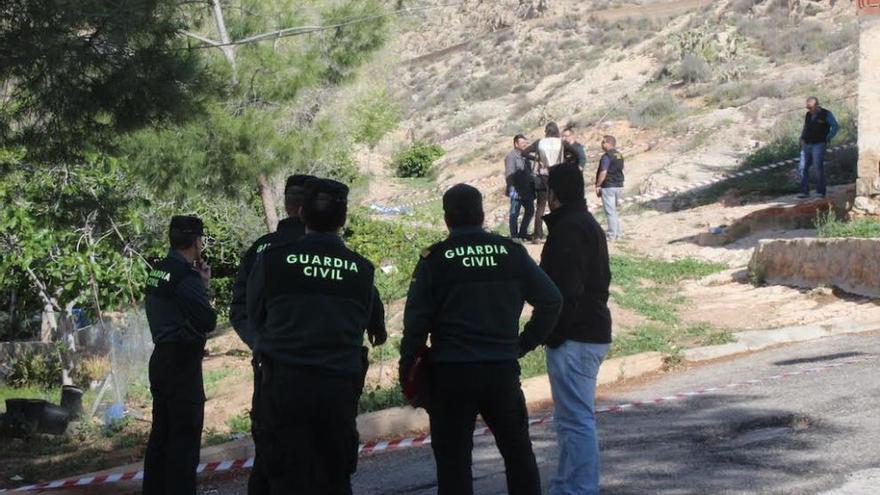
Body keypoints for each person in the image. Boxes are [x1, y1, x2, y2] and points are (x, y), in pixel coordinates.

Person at [399, 184, 563, 495]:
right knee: (518, 456)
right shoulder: (511, 254)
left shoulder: (436, 260)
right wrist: (523, 344)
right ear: (482, 215)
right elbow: (552, 300)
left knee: (453, 465)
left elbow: (415, 324)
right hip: (501, 371)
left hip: (451, 376)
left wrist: (408, 368)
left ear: (447, 219)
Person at [247, 178, 387, 494]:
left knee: (285, 478)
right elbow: (373, 326)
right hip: (337, 391)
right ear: (343, 219)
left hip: (284, 389)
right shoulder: (361, 270)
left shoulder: (271, 261)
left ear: (301, 215)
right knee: (335, 479)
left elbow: (256, 318)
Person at [228, 174, 313, 495]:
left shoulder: (260, 249)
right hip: (316, 370)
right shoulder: (323, 249)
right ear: (307, 208)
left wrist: (262, 345)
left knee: (270, 456)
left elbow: (238, 310)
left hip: (271, 371)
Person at [540, 163, 613, 495]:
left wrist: (553, 332)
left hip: (575, 336)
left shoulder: (568, 230)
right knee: (570, 420)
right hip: (587, 331)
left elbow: (565, 291)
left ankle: (579, 488)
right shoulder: (586, 224)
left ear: (554, 194)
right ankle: (567, 486)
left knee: (576, 421)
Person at [143, 215, 217, 495]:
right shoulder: (186, 277)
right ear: (196, 242)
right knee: (184, 446)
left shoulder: (158, 270)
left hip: (161, 360)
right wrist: (202, 286)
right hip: (181, 365)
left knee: (161, 438)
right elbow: (208, 319)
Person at [522, 122, 577, 240]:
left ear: (546, 131)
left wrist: (537, 159)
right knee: (556, 205)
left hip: (543, 176)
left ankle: (537, 235)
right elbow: (575, 154)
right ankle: (558, 231)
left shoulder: (540, 142)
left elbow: (524, 153)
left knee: (540, 207)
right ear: (557, 131)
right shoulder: (561, 142)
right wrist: (567, 161)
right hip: (558, 176)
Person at [799, 96, 839, 199]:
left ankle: (820, 192)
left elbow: (835, 126)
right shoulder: (808, 115)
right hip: (806, 144)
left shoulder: (826, 114)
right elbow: (806, 127)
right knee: (802, 167)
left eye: (811, 107)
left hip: (819, 144)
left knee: (818, 167)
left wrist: (828, 137)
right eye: (808, 108)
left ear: (816, 105)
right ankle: (804, 192)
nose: (809, 110)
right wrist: (802, 138)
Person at [505, 134, 536, 239]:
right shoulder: (511, 156)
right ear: (516, 144)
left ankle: (523, 233)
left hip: (527, 189)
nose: (524, 145)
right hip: (516, 189)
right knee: (514, 213)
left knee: (530, 210)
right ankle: (514, 236)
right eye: (522, 143)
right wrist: (512, 190)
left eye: (525, 143)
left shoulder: (525, 156)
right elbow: (509, 174)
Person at [595, 135, 625, 241]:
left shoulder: (606, 156)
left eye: (603, 142)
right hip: (619, 185)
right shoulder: (619, 155)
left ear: (609, 143)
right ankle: (618, 233)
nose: (602, 144)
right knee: (614, 211)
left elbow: (603, 171)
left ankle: (612, 234)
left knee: (610, 211)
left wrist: (598, 184)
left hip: (608, 186)